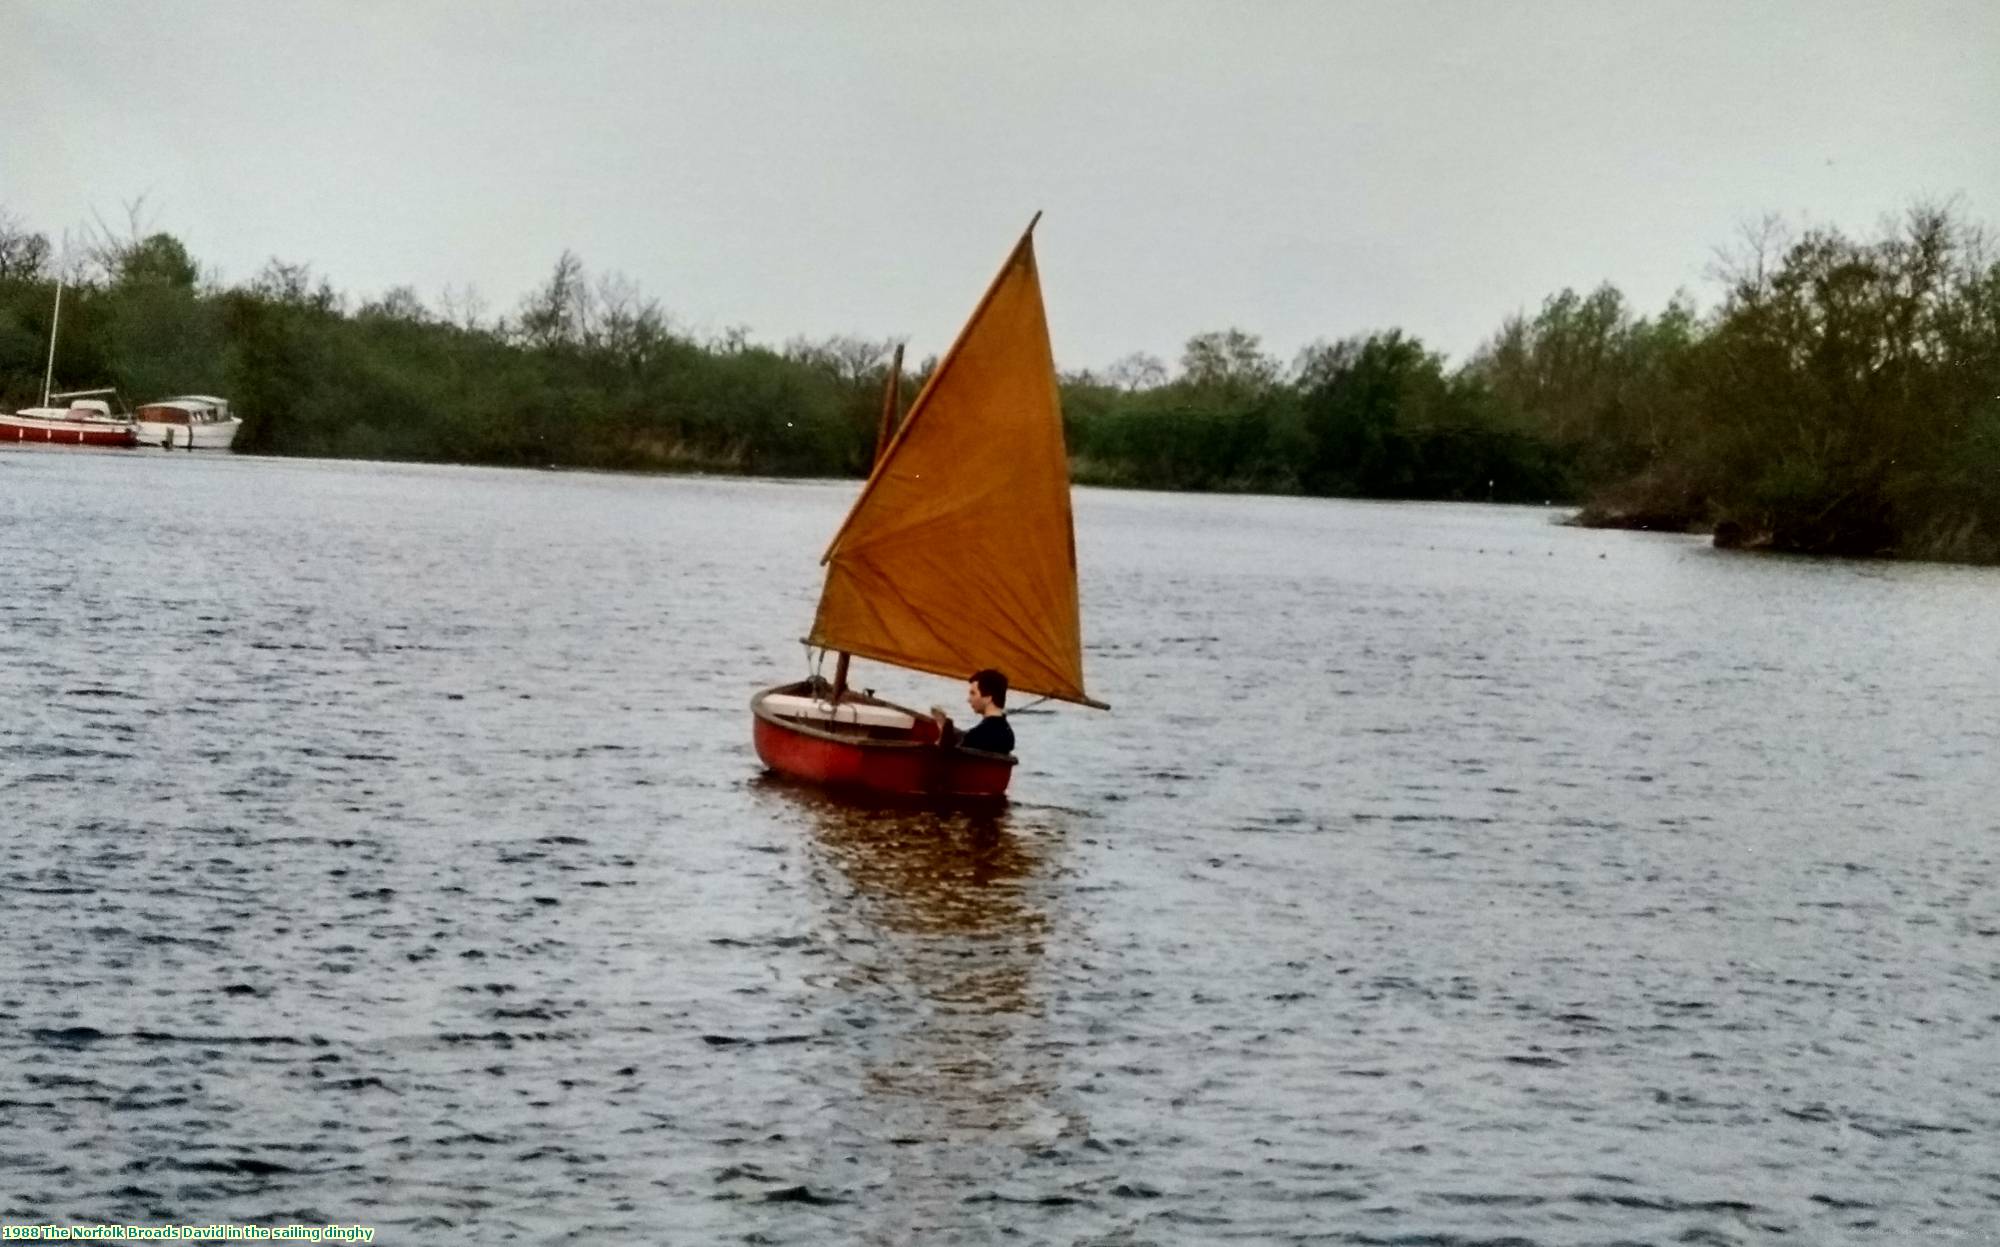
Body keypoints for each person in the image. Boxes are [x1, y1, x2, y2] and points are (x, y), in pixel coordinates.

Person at [930, 668, 1015, 755]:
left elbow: (952, 754)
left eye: (973, 693)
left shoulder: (980, 735)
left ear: (988, 698)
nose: (968, 699)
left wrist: (944, 734)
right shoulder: (1007, 733)